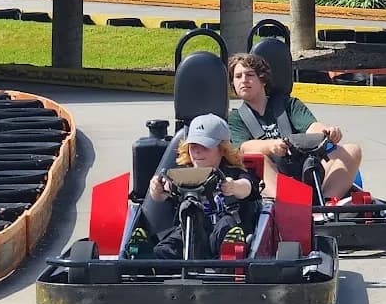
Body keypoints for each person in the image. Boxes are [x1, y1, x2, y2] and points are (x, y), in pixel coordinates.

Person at [226, 53, 362, 199]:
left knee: (352, 150)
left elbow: (312, 127)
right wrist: (271, 146)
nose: (244, 80)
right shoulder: (235, 118)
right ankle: (290, 204)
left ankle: (326, 205)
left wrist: (326, 132)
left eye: (249, 75)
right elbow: (244, 147)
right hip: (272, 179)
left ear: (263, 79)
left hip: (305, 169)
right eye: (238, 76)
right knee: (257, 158)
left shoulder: (289, 105)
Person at [129, 113, 262, 260]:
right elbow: (162, 193)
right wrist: (157, 189)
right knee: (173, 240)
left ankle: (229, 259)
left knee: (226, 224)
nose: (197, 151)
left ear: (222, 149)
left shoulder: (236, 172)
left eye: (204, 146)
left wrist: (233, 187)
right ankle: (148, 260)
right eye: (193, 146)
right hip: (189, 233)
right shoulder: (181, 174)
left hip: (221, 236)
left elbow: (248, 187)